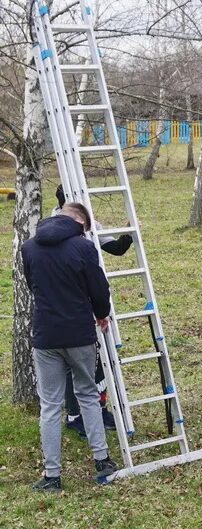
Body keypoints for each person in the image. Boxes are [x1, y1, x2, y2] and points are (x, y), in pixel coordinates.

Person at [22, 202, 119, 493]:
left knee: (50, 406)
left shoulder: (29, 248)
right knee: (88, 395)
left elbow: (32, 285)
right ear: (81, 223)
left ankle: (52, 475)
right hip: (78, 333)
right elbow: (99, 289)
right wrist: (101, 313)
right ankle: (102, 460)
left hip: (46, 335)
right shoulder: (83, 247)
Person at [53, 185, 133, 438]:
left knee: (98, 360)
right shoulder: (50, 227)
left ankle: (99, 407)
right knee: (72, 364)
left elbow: (116, 248)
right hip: (65, 304)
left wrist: (129, 230)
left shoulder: (88, 223)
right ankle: (75, 416)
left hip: (88, 301)